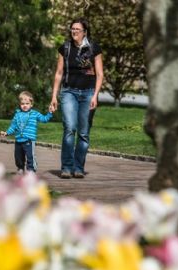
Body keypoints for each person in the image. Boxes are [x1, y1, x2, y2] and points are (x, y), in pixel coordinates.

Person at [49, 17, 103, 179]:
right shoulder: (65, 48)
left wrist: (95, 95)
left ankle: (78, 167)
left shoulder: (94, 48)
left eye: (77, 30)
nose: (74, 32)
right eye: (72, 29)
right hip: (69, 92)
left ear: (84, 32)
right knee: (70, 128)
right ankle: (66, 167)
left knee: (84, 133)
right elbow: (59, 73)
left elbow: (100, 74)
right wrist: (54, 96)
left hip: (88, 93)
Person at [0, 91, 53, 173]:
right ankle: (20, 168)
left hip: (29, 140)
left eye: (27, 103)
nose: (24, 105)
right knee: (18, 156)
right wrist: (7, 133)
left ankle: (31, 170)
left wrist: (50, 113)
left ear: (31, 104)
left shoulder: (35, 114)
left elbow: (44, 119)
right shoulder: (17, 114)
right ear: (20, 104)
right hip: (18, 140)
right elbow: (13, 126)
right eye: (22, 104)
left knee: (30, 156)